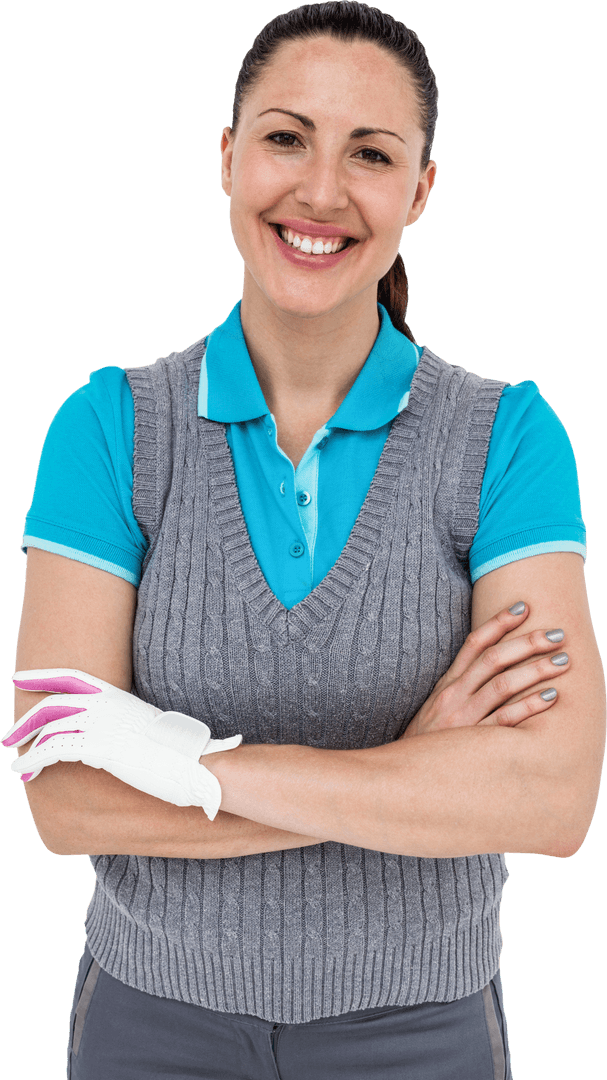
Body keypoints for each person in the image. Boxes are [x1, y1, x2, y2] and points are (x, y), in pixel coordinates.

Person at [4, 2, 605, 1077]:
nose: (321, 192)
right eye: (286, 137)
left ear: (418, 190)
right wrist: (415, 769)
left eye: (370, 153)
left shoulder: (505, 438)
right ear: (228, 159)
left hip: (421, 1034)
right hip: (150, 1027)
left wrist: (177, 765)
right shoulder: (111, 429)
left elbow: (552, 799)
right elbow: (64, 796)